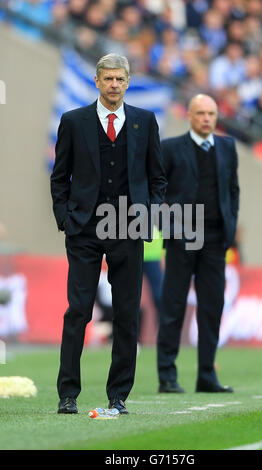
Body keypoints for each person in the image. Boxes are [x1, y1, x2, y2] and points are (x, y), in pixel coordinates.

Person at [50, 53, 167, 415]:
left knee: (127, 313)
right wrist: (66, 219)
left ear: (127, 82)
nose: (114, 84)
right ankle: (67, 394)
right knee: (78, 311)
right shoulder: (73, 121)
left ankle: (118, 396)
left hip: (127, 228)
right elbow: (59, 177)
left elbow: (158, 178)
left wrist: (147, 215)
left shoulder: (145, 122)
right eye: (108, 79)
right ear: (97, 82)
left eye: (120, 79)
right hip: (84, 229)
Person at [157, 94, 240, 393]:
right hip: (182, 238)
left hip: (216, 240)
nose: (207, 118)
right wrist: (170, 229)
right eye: (201, 113)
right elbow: (156, 193)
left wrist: (230, 229)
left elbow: (233, 190)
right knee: (173, 305)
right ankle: (167, 376)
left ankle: (207, 375)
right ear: (190, 116)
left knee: (212, 307)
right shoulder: (170, 148)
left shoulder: (228, 147)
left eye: (212, 113)